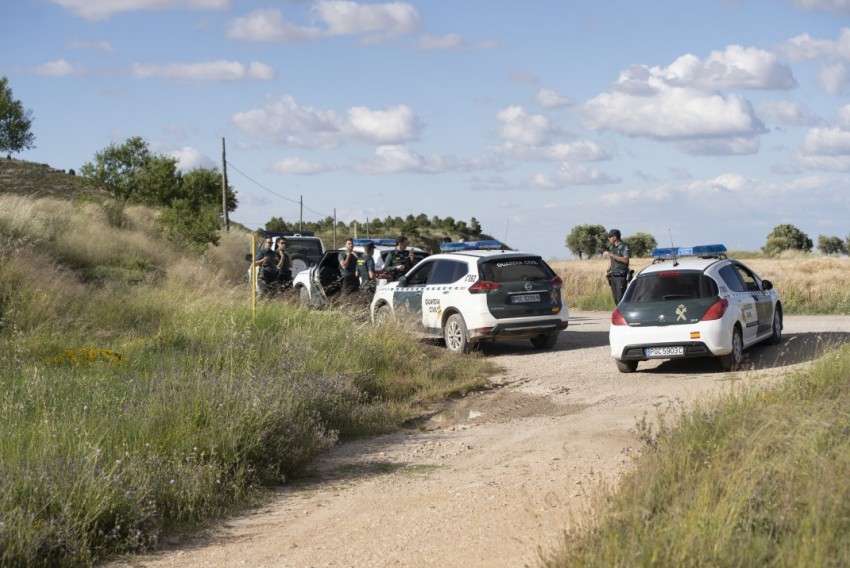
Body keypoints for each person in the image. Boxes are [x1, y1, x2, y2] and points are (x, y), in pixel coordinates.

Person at [603, 229, 631, 305]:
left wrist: (611, 255)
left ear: (615, 237)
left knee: (620, 298)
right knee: (616, 299)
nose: (609, 238)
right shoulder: (611, 247)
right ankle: (619, 314)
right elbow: (611, 260)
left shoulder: (625, 246)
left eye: (610, 237)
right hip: (613, 276)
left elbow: (625, 260)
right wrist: (607, 270)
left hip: (621, 276)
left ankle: (622, 315)